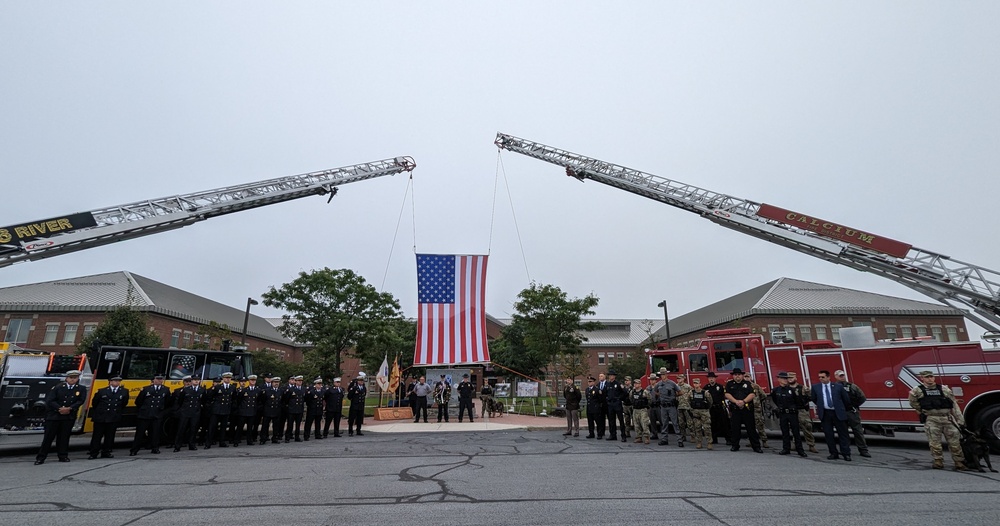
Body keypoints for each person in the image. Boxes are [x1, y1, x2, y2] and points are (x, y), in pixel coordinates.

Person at [908, 370, 968, 470]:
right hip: (932, 419)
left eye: (931, 377)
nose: (930, 379)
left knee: (955, 442)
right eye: (927, 377)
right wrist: (923, 411)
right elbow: (913, 403)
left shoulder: (944, 389)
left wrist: (960, 420)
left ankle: (959, 462)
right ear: (922, 378)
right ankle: (938, 461)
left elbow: (954, 404)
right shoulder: (917, 390)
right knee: (934, 442)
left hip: (947, 418)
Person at [35, 370, 88, 465]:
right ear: (66, 378)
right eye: (71, 378)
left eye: (75, 378)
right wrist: (60, 408)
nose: (73, 380)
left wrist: (70, 408)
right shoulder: (58, 387)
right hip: (54, 416)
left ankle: (63, 456)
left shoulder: (81, 389)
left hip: (68, 416)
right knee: (48, 438)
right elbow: (50, 400)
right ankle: (41, 457)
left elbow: (81, 400)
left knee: (64, 437)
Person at [810, 370, 852, 461]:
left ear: (828, 377)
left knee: (843, 434)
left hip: (837, 413)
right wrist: (821, 405)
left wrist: (841, 408)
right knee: (829, 434)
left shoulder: (838, 387)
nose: (821, 379)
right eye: (819, 377)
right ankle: (833, 453)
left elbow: (846, 399)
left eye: (823, 377)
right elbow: (813, 398)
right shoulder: (816, 387)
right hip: (825, 413)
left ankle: (846, 453)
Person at [88, 374, 130, 459]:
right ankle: (94, 453)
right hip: (101, 417)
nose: (117, 382)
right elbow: (95, 403)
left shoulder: (124, 391)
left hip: (113, 416)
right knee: (97, 436)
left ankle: (106, 452)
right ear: (110, 382)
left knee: (110, 436)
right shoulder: (102, 391)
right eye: (115, 381)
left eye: (118, 381)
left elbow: (123, 403)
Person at [131, 374, 171, 456]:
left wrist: (161, 411)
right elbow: (139, 401)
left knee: (155, 433)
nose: (160, 380)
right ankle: (134, 450)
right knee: (140, 433)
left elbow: (167, 402)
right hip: (145, 414)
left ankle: (155, 448)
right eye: (158, 379)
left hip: (157, 414)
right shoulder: (146, 389)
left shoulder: (166, 390)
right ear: (153, 380)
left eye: (161, 379)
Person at [725, 368, 762, 453]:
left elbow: (752, 394)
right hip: (735, 409)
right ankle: (735, 446)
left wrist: (744, 401)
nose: (737, 376)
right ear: (733, 376)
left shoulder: (748, 384)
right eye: (735, 375)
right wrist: (736, 401)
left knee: (751, 429)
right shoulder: (729, 384)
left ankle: (756, 447)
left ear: (742, 375)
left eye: (739, 374)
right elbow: (727, 394)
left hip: (747, 409)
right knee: (735, 429)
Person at [835, 370, 871, 458]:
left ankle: (863, 450)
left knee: (858, 431)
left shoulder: (852, 386)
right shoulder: (834, 387)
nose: (842, 377)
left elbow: (862, 397)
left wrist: (854, 406)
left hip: (852, 412)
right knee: (843, 432)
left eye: (843, 375)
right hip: (841, 413)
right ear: (836, 376)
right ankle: (845, 450)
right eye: (840, 376)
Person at [770, 372, 806, 457]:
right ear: (779, 379)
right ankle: (786, 449)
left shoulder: (792, 390)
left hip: (792, 413)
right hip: (783, 413)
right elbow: (774, 400)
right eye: (783, 378)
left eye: (786, 378)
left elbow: (798, 401)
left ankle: (800, 450)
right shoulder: (776, 390)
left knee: (796, 432)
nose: (786, 380)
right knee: (784, 432)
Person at [786, 372, 818, 453]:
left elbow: (811, 397)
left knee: (807, 426)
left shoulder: (803, 388)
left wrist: (805, 403)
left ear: (795, 378)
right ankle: (795, 444)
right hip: (791, 411)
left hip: (802, 410)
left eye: (791, 377)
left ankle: (811, 445)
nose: (790, 379)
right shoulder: (786, 389)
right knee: (793, 428)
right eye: (788, 378)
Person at [173, 375, 205, 452]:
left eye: (198, 380)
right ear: (191, 381)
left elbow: (203, 400)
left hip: (195, 412)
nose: (196, 381)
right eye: (194, 380)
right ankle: (177, 446)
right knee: (181, 429)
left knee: (193, 429)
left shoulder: (202, 390)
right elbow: (180, 401)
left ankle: (192, 445)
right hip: (185, 412)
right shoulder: (186, 390)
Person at [206, 371, 236, 449]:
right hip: (216, 409)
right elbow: (210, 397)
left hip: (226, 409)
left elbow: (234, 398)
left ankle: (222, 442)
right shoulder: (217, 387)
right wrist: (211, 407)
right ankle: (208, 443)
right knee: (212, 427)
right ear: (223, 379)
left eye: (229, 378)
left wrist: (231, 407)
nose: (228, 379)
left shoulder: (232, 387)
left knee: (223, 427)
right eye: (226, 378)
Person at [652, 368, 681, 446]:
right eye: (661, 374)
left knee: (675, 423)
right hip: (663, 406)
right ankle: (664, 439)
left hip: (671, 406)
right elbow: (655, 391)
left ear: (667, 375)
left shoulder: (672, 383)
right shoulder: (658, 384)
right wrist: (661, 396)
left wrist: (673, 396)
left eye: (664, 374)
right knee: (664, 423)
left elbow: (680, 392)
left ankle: (679, 440)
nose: (663, 376)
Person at [234, 374, 263, 445]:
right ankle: (236, 441)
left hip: (252, 411)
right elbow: (239, 400)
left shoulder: (258, 390)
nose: (253, 381)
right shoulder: (244, 390)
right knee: (240, 427)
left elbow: (259, 400)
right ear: (249, 381)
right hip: (243, 411)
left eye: (254, 380)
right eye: (251, 380)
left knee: (250, 427)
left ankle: (249, 440)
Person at [687, 377, 713, 450]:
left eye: (697, 383)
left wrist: (706, 408)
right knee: (697, 428)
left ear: (700, 384)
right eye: (694, 383)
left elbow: (710, 402)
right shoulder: (691, 392)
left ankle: (709, 442)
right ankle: (699, 442)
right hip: (695, 412)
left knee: (707, 428)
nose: (696, 385)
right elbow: (688, 401)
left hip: (704, 412)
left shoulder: (705, 393)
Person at [704, 372, 729, 445]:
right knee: (712, 424)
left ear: (715, 378)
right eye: (709, 378)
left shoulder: (720, 387)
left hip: (719, 407)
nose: (711, 379)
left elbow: (724, 396)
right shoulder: (706, 387)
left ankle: (728, 439)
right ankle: (714, 439)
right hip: (711, 408)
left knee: (724, 423)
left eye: (712, 378)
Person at [259, 377, 284, 444]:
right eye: (275, 382)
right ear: (272, 383)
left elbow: (282, 400)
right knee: (265, 426)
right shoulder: (267, 391)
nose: (276, 384)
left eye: (277, 382)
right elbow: (263, 400)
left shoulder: (280, 391)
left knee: (276, 426)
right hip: (268, 410)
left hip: (277, 410)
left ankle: (275, 438)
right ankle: (263, 439)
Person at [605, 369, 626, 442]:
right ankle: (613, 435)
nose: (611, 377)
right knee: (611, 420)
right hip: (610, 404)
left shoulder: (618, 384)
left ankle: (623, 435)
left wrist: (620, 398)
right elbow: (605, 393)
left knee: (621, 420)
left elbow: (624, 392)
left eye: (612, 375)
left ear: (614, 376)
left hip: (617, 403)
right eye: (610, 375)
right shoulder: (607, 384)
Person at [282, 375, 305, 442]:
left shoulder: (303, 389)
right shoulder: (291, 389)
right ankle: (287, 437)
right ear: (295, 381)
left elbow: (304, 398)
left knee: (298, 425)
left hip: (299, 409)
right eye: (298, 381)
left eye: (301, 381)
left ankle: (297, 437)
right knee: (290, 424)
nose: (300, 382)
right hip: (292, 409)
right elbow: (286, 399)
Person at [629, 378, 652, 444]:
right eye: (635, 383)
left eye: (637, 383)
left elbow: (650, 399)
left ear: (640, 384)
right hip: (635, 409)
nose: (636, 385)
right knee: (636, 424)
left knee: (644, 423)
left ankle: (647, 437)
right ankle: (638, 437)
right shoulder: (632, 392)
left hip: (643, 410)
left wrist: (646, 406)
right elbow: (631, 398)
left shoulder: (645, 392)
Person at [750, 379, 770, 449]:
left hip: (756, 409)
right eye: (745, 377)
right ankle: (752, 441)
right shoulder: (744, 386)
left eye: (748, 376)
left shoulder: (756, 386)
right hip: (748, 409)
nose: (746, 378)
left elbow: (763, 395)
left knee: (760, 425)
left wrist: (757, 402)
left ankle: (764, 441)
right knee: (750, 426)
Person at [675, 374, 692, 445]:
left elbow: (692, 395)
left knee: (689, 422)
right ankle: (682, 436)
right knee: (681, 423)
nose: (679, 380)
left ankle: (693, 435)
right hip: (679, 406)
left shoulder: (688, 386)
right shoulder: (676, 386)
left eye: (680, 378)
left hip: (687, 406)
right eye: (678, 379)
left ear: (683, 379)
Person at [646, 373, 660, 441]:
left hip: (658, 406)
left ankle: (664, 434)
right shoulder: (648, 388)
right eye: (651, 380)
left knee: (661, 420)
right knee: (652, 421)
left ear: (656, 380)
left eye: (653, 380)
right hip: (651, 406)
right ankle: (654, 434)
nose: (652, 381)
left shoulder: (659, 387)